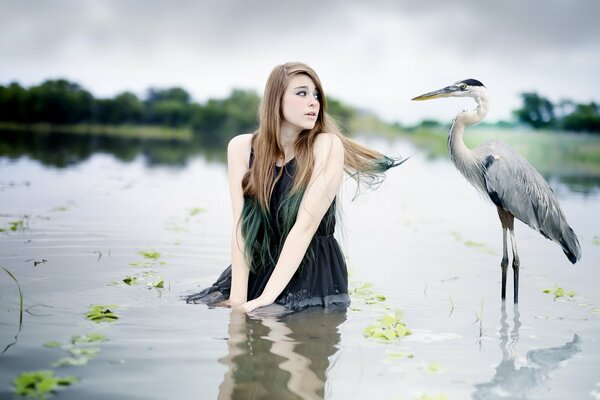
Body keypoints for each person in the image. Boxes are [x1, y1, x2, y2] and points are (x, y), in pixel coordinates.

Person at [186, 62, 402, 313]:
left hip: (311, 270)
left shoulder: (327, 145)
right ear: (276, 100)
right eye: (302, 93)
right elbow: (241, 227)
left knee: (272, 320)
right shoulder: (241, 147)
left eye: (316, 95)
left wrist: (265, 298)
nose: (314, 102)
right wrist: (238, 298)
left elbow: (305, 228)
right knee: (224, 312)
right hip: (262, 263)